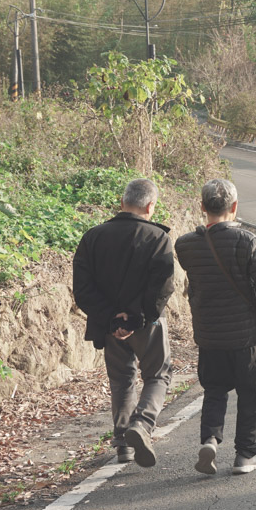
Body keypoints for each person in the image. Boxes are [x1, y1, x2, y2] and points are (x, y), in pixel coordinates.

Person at [175, 179, 256, 475]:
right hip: (244, 335)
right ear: (235, 207)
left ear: (202, 207)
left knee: (214, 390)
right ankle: (245, 456)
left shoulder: (185, 245)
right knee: (250, 394)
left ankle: (210, 440)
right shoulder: (246, 242)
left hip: (209, 334)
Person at [72, 178, 176, 468]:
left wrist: (111, 318)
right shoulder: (158, 238)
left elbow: (82, 288)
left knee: (121, 379)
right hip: (147, 324)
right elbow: (163, 287)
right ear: (150, 206)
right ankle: (141, 425)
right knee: (157, 374)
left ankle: (122, 444)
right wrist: (136, 317)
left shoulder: (92, 237)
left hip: (109, 325)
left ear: (122, 202)